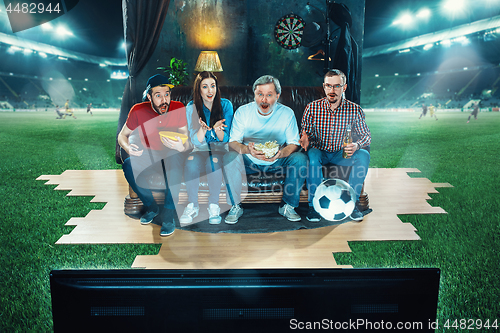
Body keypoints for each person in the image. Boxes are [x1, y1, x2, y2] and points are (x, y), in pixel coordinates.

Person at [222, 75, 307, 224]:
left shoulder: (287, 113)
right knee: (229, 157)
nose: (264, 100)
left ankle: (287, 206)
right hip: (249, 160)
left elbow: (294, 143)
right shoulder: (243, 112)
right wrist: (248, 150)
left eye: (269, 95)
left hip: (277, 161)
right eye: (260, 94)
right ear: (254, 94)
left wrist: (281, 154)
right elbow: (233, 143)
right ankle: (236, 206)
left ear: (277, 96)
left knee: (300, 159)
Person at [118, 74, 189, 237]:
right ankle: (152, 207)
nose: (164, 100)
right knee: (128, 165)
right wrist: (129, 148)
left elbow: (186, 136)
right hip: (148, 155)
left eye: (167, 94)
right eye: (158, 95)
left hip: (171, 156)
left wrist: (182, 145)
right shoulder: (137, 110)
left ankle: (168, 216)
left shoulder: (178, 107)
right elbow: (122, 136)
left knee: (177, 157)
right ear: (149, 96)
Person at [299, 69, 371, 222]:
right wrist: (304, 139)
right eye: (328, 86)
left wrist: (356, 146)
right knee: (312, 155)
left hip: (341, 154)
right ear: (324, 87)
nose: (332, 90)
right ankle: (313, 207)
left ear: (344, 87)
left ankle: (353, 203)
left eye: (337, 86)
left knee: (364, 155)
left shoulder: (354, 110)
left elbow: (366, 136)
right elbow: (305, 134)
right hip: (320, 152)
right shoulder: (312, 108)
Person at [180, 71, 234, 225]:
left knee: (214, 161)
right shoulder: (191, 107)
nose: (210, 90)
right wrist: (203, 130)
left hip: (219, 150)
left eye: (213, 86)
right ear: (198, 90)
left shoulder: (226, 105)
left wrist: (217, 130)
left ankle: (213, 205)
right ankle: (192, 205)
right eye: (205, 87)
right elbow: (195, 142)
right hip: (199, 150)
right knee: (190, 161)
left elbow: (226, 139)